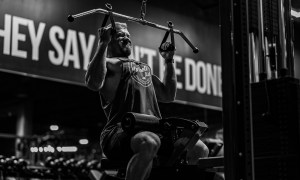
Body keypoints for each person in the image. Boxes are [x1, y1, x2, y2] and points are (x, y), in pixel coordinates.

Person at [85, 22, 209, 180]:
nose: (126, 37)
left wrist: (168, 61)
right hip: (120, 131)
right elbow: (93, 83)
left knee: (199, 149)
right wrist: (102, 43)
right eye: (120, 35)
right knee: (149, 142)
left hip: (155, 130)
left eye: (128, 35)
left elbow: (168, 95)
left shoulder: (143, 68)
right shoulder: (108, 64)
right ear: (109, 39)